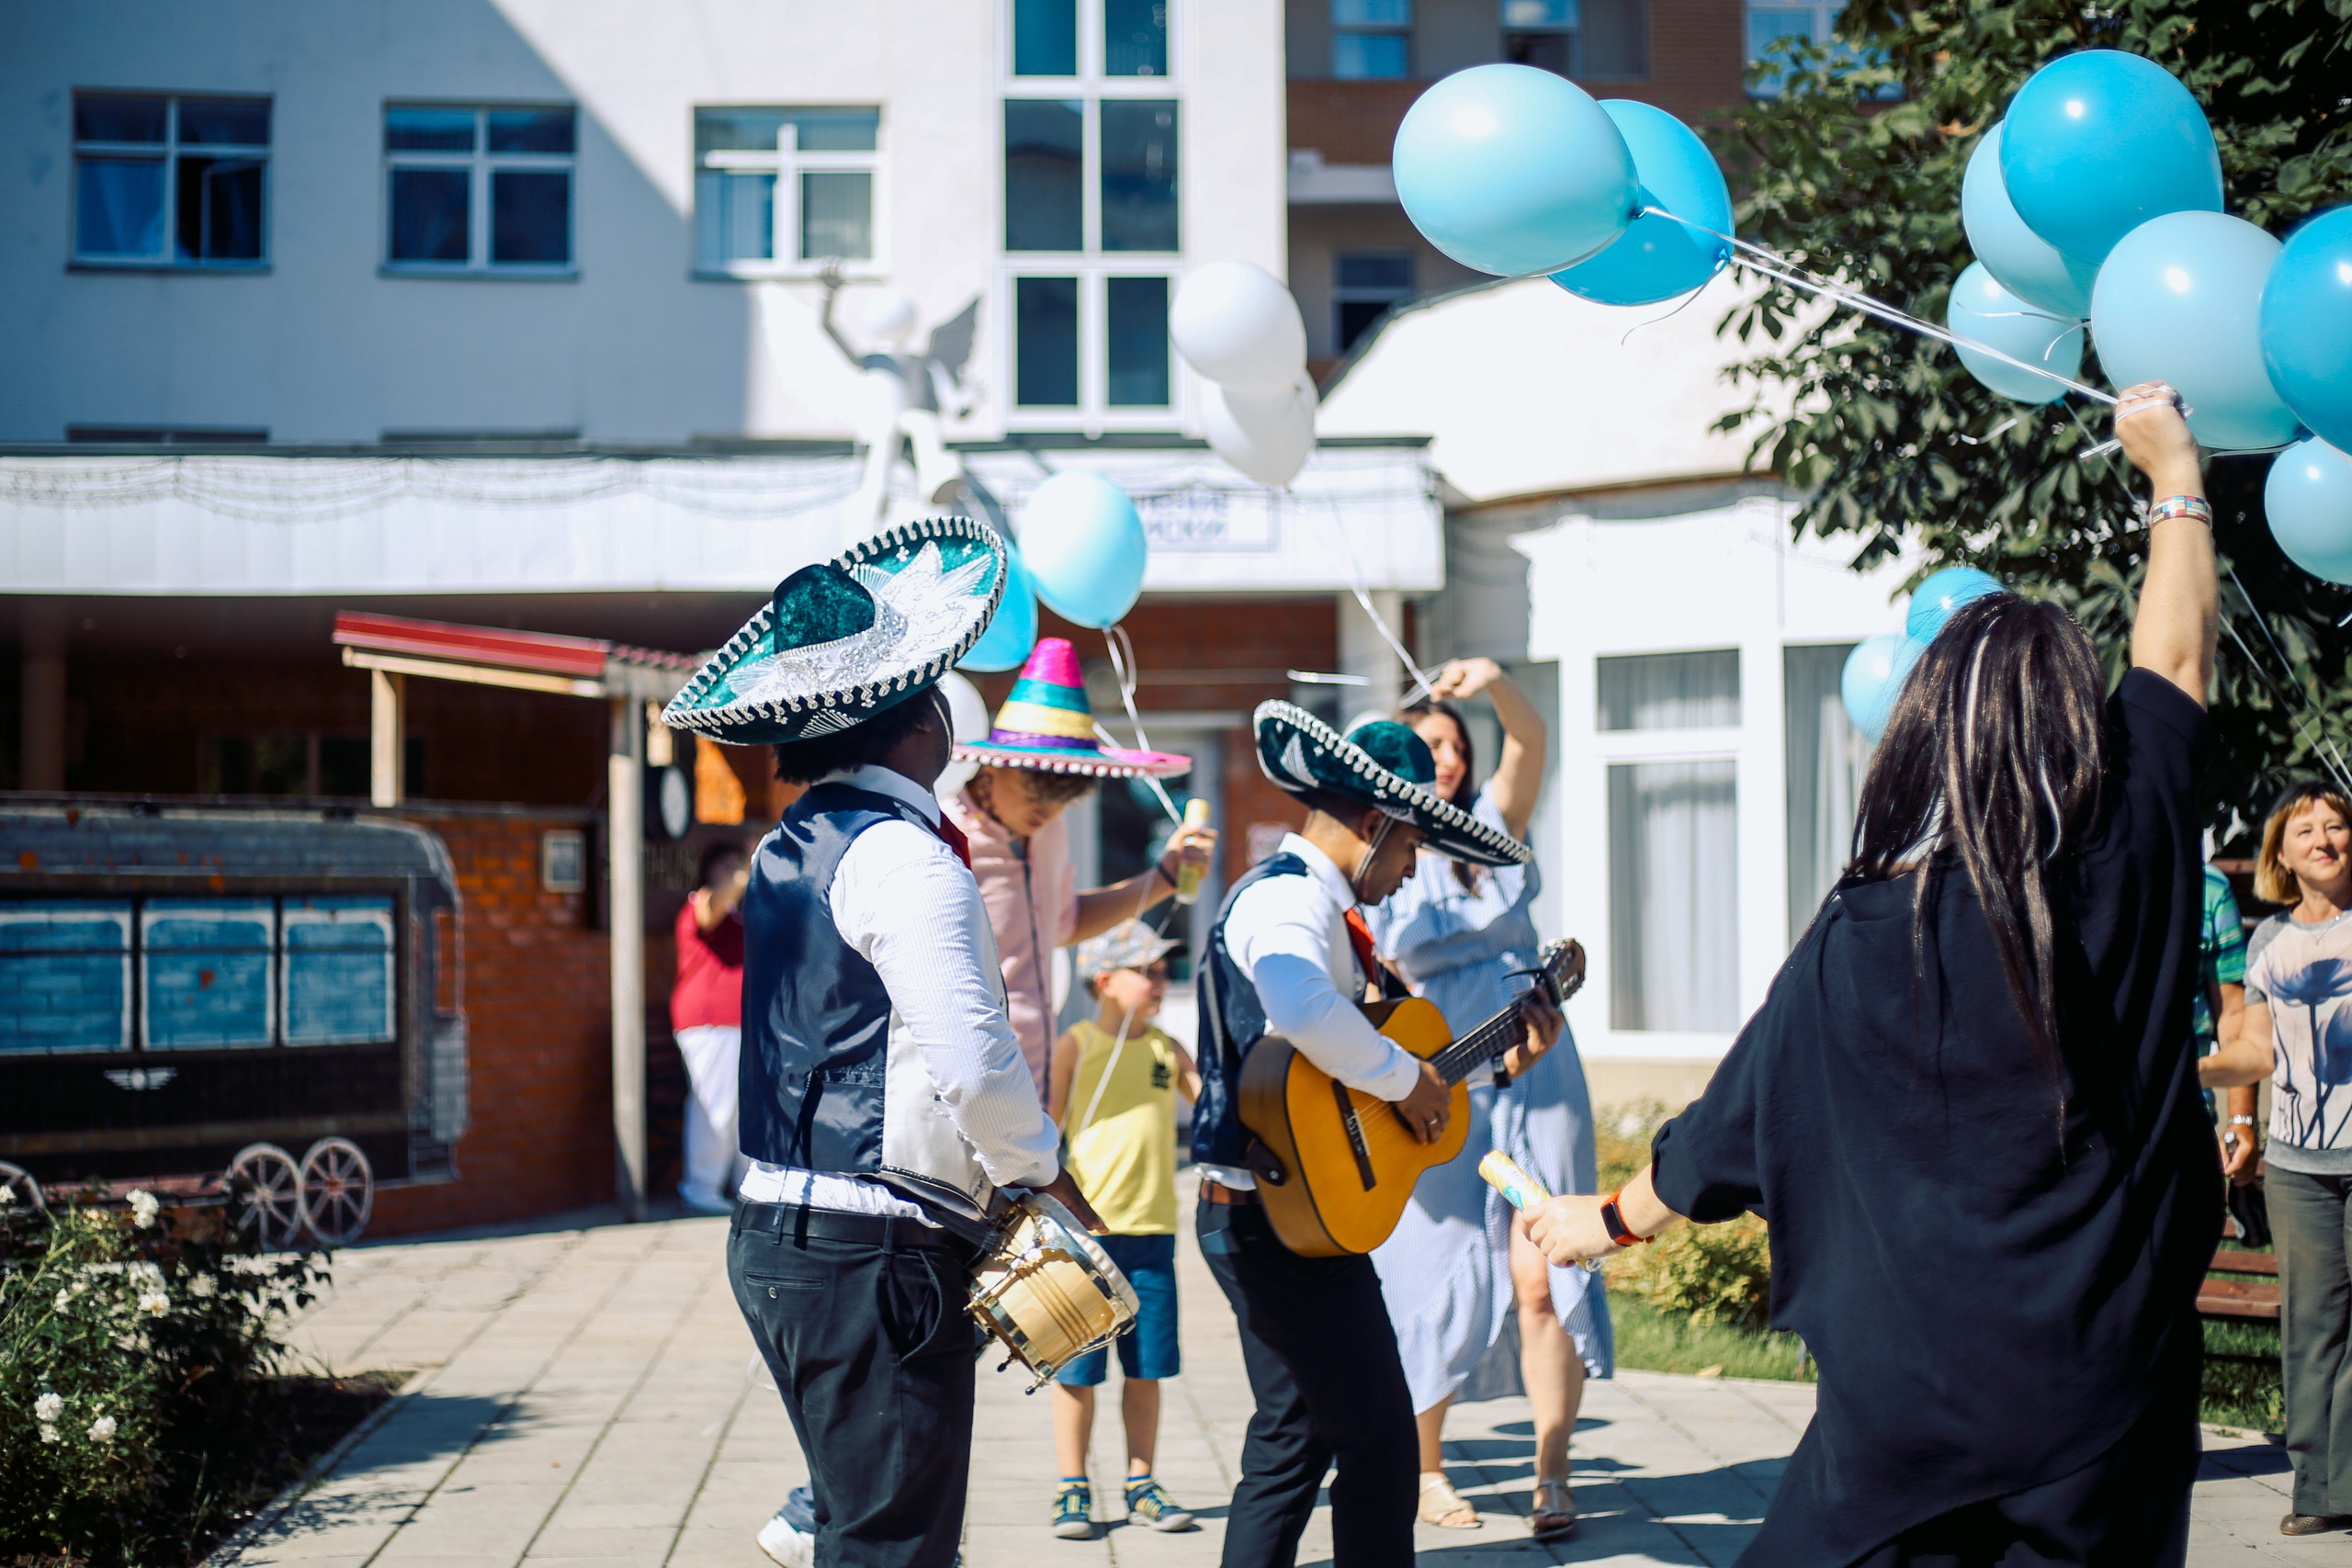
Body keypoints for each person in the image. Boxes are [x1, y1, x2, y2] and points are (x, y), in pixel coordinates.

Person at [1525, 382, 2222, 1565]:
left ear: (1931, 733)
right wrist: (2174, 481)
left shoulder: (1863, 935)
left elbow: (1725, 1138)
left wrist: (1597, 1223)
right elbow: (2175, 660)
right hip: (2104, 1402)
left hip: (1902, 1419)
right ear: (2076, 729)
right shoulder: (2134, 862)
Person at [662, 517, 1104, 1568]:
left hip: (774, 1232)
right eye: (939, 697)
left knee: (861, 1527)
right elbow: (976, 1067)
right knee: (896, 1551)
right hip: (870, 1257)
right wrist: (1045, 1178)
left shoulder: (785, 845)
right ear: (918, 728)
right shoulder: (906, 860)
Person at [1193, 703, 1563, 1568]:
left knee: (1294, 1444)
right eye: (1409, 849)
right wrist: (1406, 1076)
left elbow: (1358, 1091)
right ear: (1372, 824)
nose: (1408, 872)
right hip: (1271, 1217)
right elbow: (1303, 1009)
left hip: (1295, 1210)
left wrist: (1496, 1065)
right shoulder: (1286, 901)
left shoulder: (1332, 918)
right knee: (1381, 1445)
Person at [1362, 660, 1609, 1540]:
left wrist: (1494, 683)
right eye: (1431, 742)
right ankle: (1425, 1468)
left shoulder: (1495, 826)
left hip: (1540, 1066)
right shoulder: (1386, 845)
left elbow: (1532, 738)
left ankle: (1552, 1472)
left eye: (1457, 742)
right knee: (1434, 1267)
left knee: (1547, 1267)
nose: (1450, 757)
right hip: (1437, 1074)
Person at [945, 637, 1215, 1094]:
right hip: (967, 1089)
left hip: (1036, 1080)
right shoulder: (947, 838)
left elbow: (1063, 922)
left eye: (1062, 800)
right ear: (992, 769)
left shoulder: (1046, 831)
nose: (1047, 812)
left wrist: (1165, 878)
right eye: (1036, 794)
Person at [2199, 782, 2352, 1534]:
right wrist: (2195, 1068)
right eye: (2305, 831)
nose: (2323, 838)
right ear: (2282, 856)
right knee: (2312, 1325)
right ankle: (2319, 1488)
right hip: (2298, 1164)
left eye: (2336, 825)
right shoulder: (2268, 942)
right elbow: (2254, 1050)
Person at [1042, 920, 1204, 1540]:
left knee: (1148, 1366)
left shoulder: (1167, 1048)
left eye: (1166, 970)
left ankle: (1142, 1479)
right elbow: (1047, 1128)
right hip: (1085, 1239)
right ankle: (1071, 1483)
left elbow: (1212, 1102)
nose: (1161, 980)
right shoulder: (1075, 1043)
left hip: (1153, 1235)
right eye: (1150, 970)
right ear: (1106, 981)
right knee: (1077, 1371)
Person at [672, 840, 751, 1215]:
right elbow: (709, 914)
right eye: (729, 865)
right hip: (709, 1021)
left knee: (740, 1109)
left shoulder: (740, 913)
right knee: (714, 1107)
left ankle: (744, 1185)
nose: (738, 872)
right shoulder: (699, 902)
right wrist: (743, 872)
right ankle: (700, 1187)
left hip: (738, 1022)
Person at [2195, 862, 2258, 1186]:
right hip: (2085, 1127)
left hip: (2187, 1124)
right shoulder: (2064, 866)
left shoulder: (2208, 887)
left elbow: (2233, 1013)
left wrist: (2241, 1118)